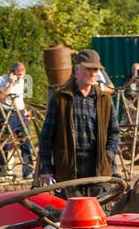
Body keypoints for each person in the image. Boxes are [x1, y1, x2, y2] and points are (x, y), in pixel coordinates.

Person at [37, 48, 120, 195]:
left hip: (97, 167)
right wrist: (46, 169)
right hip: (68, 168)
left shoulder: (104, 100)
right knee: (71, 215)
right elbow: (46, 137)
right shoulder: (60, 98)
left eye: (96, 69)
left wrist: (108, 156)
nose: (93, 73)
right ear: (77, 70)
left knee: (98, 214)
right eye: (89, 69)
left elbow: (114, 133)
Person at [0, 61, 33, 180]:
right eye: (18, 74)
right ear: (12, 72)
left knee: (26, 142)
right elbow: (0, 98)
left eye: (22, 74)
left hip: (20, 113)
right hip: (8, 114)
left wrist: (25, 111)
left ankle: (28, 172)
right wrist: (10, 83)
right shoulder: (1, 80)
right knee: (6, 144)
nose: (20, 77)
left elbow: (20, 99)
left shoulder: (23, 81)